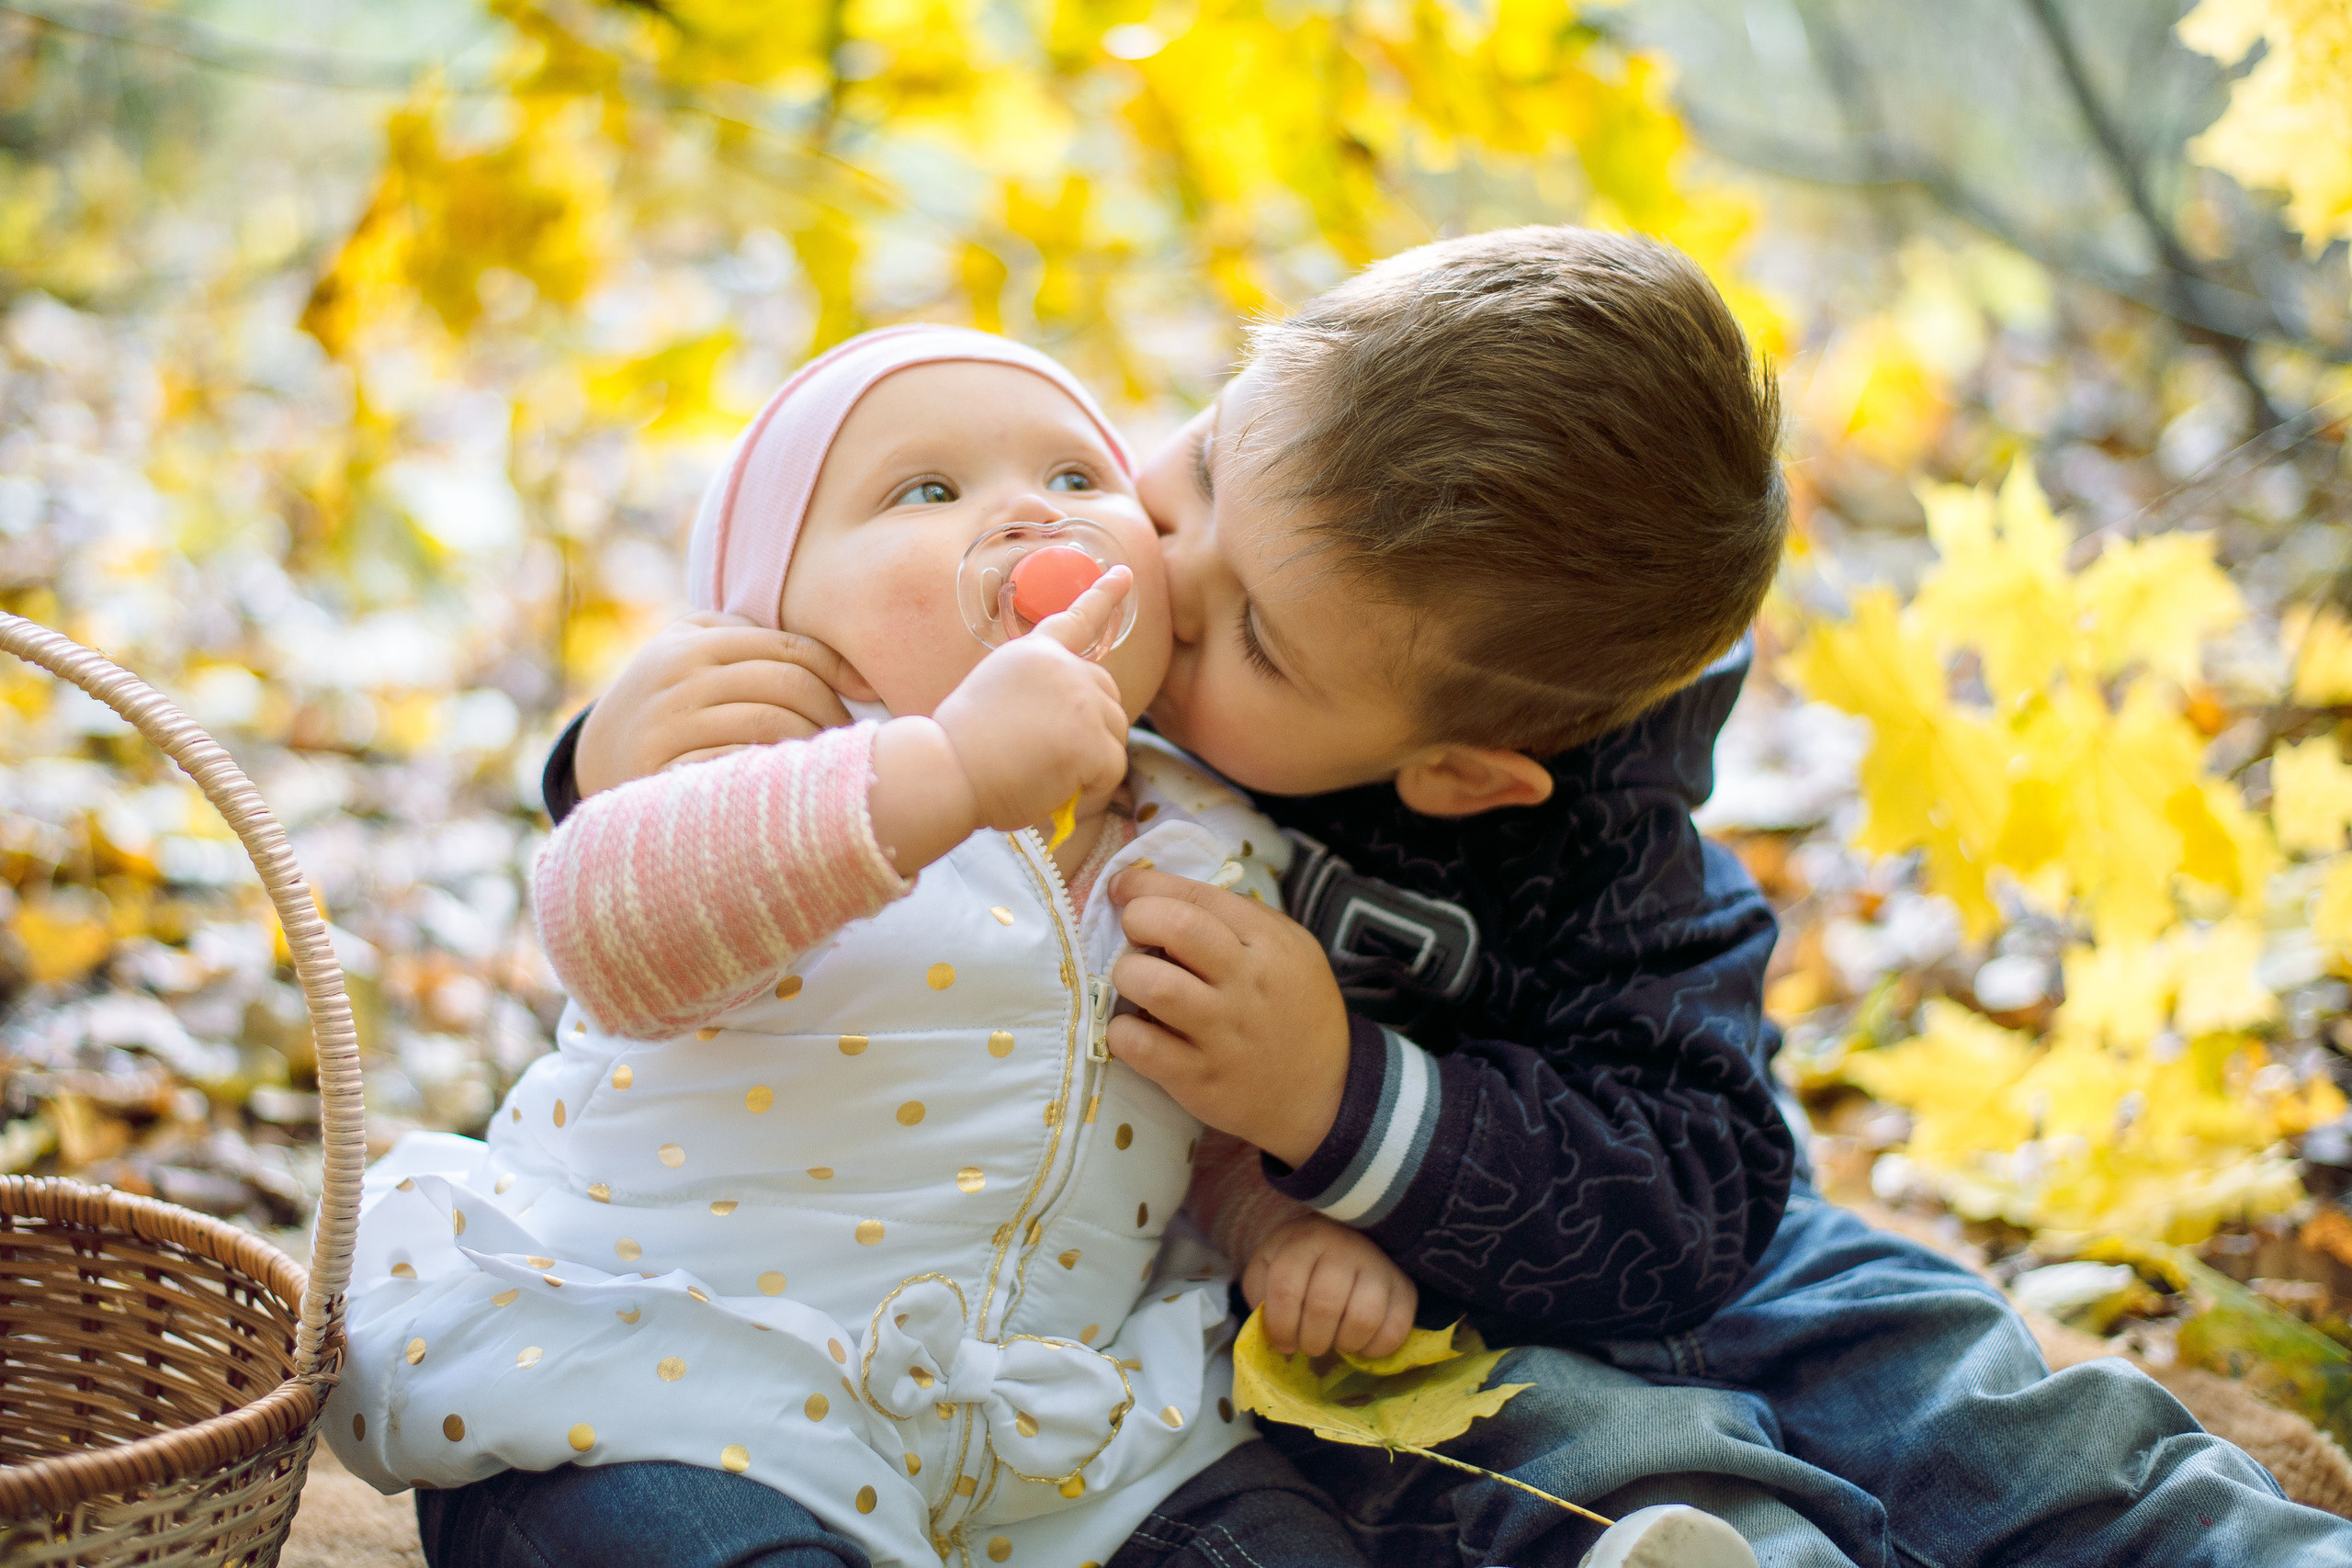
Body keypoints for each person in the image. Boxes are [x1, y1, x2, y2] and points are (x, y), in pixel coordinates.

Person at [544, 228, 2352, 1567]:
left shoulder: (1592, 847)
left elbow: (1708, 1195)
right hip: (1359, 1303)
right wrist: (608, 749)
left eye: (1246, 621)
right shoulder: (1084, 672)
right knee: (1592, 1453)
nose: (1140, 556)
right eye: (1184, 466)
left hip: (1605, 1215)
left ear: (1459, 772)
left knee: (1950, 1382)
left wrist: (1342, 1093)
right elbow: (797, 739)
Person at [325, 324, 1422, 1568]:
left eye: (1077, 479)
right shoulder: (773, 772)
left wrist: (1276, 1229)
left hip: (1053, 1443)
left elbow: (1196, 1118)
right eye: (929, 490)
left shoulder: (1208, 844)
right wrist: (941, 773)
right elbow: (606, 930)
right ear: (783, 619)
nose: (1029, 514)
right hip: (672, 1400)